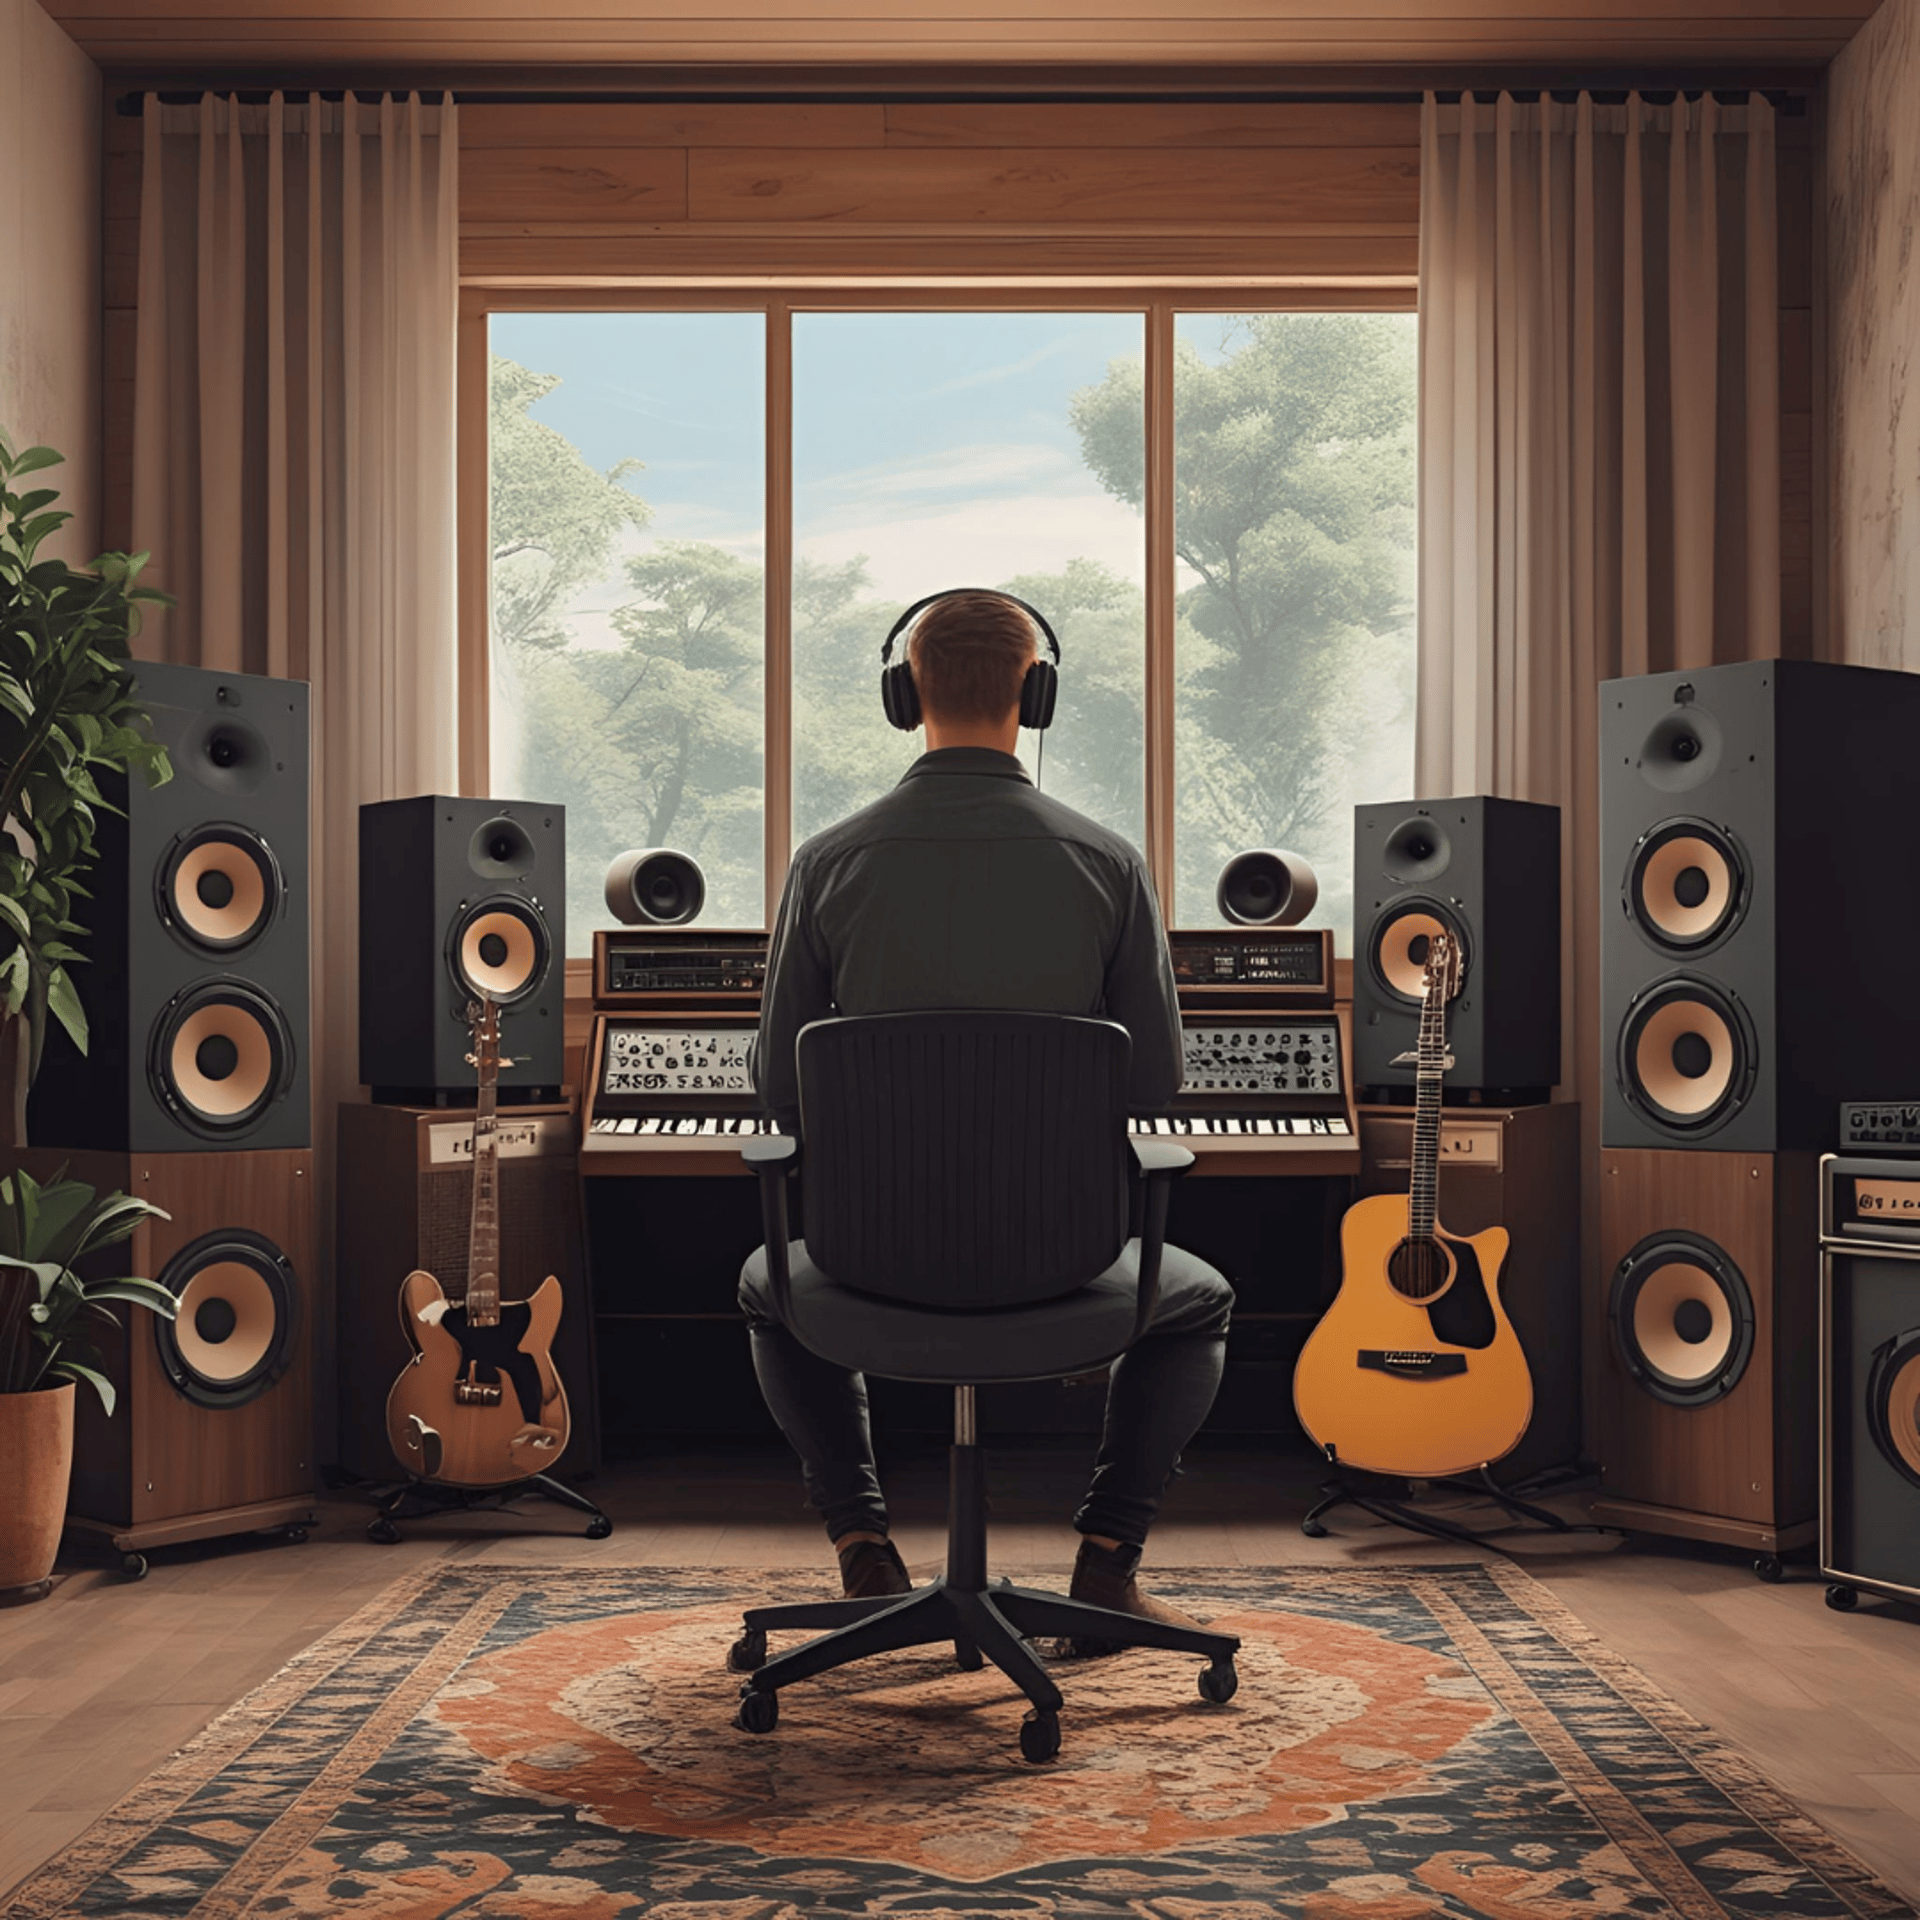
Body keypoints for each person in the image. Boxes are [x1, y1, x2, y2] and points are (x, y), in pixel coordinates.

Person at [739, 587, 1235, 1648]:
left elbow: (776, 1091)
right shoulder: (1110, 862)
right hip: (1062, 1270)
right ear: (1035, 694)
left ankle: (862, 1548)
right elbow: (1156, 1086)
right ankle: (1106, 1565)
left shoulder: (826, 862)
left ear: (904, 696)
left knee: (769, 1286)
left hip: (869, 1266)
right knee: (1199, 1302)